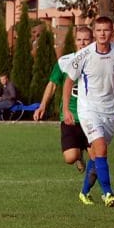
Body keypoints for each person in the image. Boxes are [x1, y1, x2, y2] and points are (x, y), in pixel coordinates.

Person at [63, 15, 114, 207]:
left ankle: (84, 192)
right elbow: (68, 81)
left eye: (106, 30)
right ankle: (108, 193)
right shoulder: (84, 55)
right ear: (94, 33)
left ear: (112, 32)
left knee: (96, 156)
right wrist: (66, 110)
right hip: (88, 110)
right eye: (99, 30)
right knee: (100, 146)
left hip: (110, 111)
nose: (102, 34)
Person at [33, 26, 94, 185]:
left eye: (86, 39)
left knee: (97, 159)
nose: (83, 43)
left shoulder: (98, 62)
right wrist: (42, 106)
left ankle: (98, 192)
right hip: (70, 116)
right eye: (79, 40)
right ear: (75, 42)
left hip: (92, 116)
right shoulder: (65, 61)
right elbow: (52, 85)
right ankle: (78, 155)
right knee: (70, 157)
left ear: (92, 40)